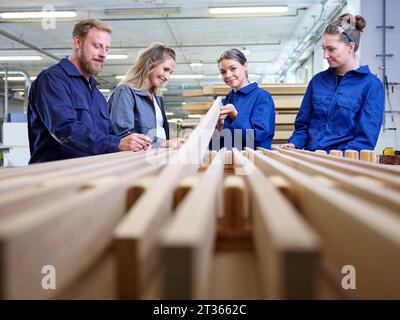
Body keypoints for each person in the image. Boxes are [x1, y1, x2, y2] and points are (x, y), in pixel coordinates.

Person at [28, 19, 149, 164]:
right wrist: (115, 144)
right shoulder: (53, 80)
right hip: (55, 176)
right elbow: (65, 130)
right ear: (78, 42)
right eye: (97, 46)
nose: (103, 54)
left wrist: (132, 142)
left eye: (107, 48)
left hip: (89, 172)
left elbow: (110, 134)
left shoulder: (96, 94)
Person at [281, 14, 384, 152]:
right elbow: (303, 126)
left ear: (350, 47)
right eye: (324, 48)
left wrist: (336, 158)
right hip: (312, 160)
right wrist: (295, 143)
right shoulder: (317, 81)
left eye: (331, 49)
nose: (325, 55)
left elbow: (365, 139)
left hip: (345, 166)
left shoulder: (371, 86)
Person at [108, 42, 184, 150]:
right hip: (135, 160)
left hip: (156, 158)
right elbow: (124, 137)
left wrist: (172, 143)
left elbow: (159, 132)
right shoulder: (125, 92)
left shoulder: (157, 98)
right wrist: (165, 143)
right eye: (165, 69)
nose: (167, 77)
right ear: (150, 64)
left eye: (170, 72)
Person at [211, 48, 275, 150]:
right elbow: (214, 147)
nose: (228, 75)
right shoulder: (225, 101)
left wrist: (235, 116)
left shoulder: (262, 98)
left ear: (245, 66)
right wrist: (218, 127)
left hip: (252, 163)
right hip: (227, 162)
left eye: (233, 68)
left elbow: (258, 139)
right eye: (223, 72)